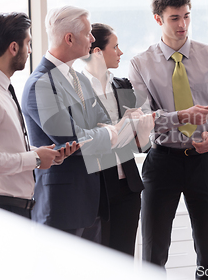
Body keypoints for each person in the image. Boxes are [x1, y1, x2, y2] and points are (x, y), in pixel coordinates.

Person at [128, 0, 208, 279]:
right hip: (163, 161)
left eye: (186, 16)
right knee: (153, 249)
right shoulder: (140, 64)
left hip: (205, 160)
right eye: (174, 18)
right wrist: (181, 117)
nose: (182, 25)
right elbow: (143, 119)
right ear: (157, 19)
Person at [21, 6, 133, 243]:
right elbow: (73, 138)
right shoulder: (40, 83)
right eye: (88, 33)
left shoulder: (79, 78)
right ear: (69, 38)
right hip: (62, 205)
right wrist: (112, 133)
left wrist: (102, 131)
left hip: (92, 202)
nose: (92, 39)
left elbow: (100, 122)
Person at [0, 12, 77, 219]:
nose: (31, 50)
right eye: (28, 43)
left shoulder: (0, 89)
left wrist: (42, 155)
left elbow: (5, 148)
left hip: (11, 209)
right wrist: (34, 158)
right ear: (14, 48)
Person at [82, 23, 154, 255]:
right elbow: (88, 139)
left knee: (124, 258)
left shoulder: (122, 85)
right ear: (97, 52)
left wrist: (144, 130)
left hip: (128, 186)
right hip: (98, 186)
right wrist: (121, 127)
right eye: (116, 47)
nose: (121, 52)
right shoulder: (78, 89)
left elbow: (140, 145)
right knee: (99, 259)